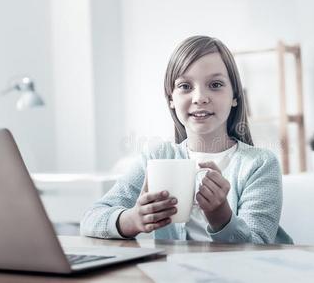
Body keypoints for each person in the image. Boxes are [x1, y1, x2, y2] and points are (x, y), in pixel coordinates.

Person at [80, 36, 292, 244]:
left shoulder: (260, 164)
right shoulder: (156, 158)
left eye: (216, 84)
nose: (200, 97)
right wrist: (133, 219)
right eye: (185, 86)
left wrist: (221, 216)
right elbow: (91, 219)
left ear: (235, 96)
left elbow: (259, 246)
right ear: (171, 98)